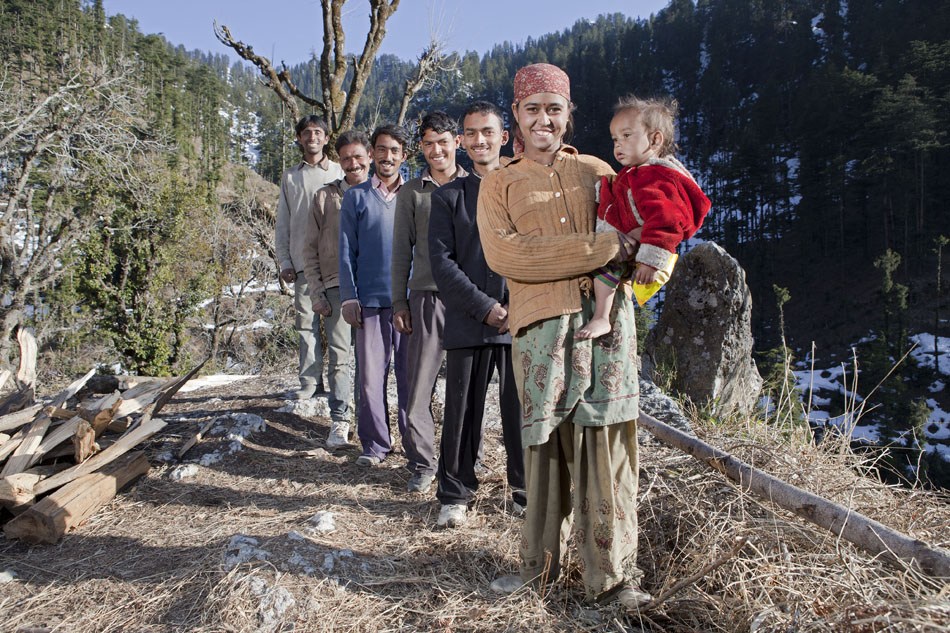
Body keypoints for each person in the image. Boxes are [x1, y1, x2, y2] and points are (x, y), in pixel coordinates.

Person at [476, 63, 651, 608]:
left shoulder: (600, 172)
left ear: (568, 115)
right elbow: (507, 255)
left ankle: (614, 578)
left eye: (554, 108)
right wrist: (595, 250)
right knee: (544, 451)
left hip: (605, 327)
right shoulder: (499, 182)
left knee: (607, 447)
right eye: (533, 109)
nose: (543, 119)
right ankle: (538, 571)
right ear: (517, 119)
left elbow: (643, 226)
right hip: (539, 329)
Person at [428, 101, 525, 527]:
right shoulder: (449, 197)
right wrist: (485, 307)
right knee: (462, 410)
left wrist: (517, 306)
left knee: (522, 409)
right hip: (470, 319)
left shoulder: (524, 189)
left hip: (523, 318)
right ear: (462, 141)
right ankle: (455, 493)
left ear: (504, 137)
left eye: (488, 131)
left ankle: (526, 491)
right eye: (471, 133)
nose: (479, 140)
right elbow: (441, 263)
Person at [575, 95, 711, 340]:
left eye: (627, 136)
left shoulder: (656, 177)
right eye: (615, 139)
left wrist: (650, 259)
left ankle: (601, 318)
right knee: (605, 264)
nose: (618, 145)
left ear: (655, 139)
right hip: (633, 240)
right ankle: (602, 317)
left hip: (646, 246)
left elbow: (666, 220)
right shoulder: (636, 173)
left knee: (605, 266)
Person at [391, 111, 467, 493]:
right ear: (421, 147)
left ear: (458, 142)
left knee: (464, 387)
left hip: (469, 299)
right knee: (419, 386)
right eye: (428, 143)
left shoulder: (477, 185)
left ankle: (467, 460)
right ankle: (423, 462)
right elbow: (400, 252)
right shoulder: (412, 192)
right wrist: (398, 302)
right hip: (425, 298)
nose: (437, 150)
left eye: (444, 141)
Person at [338, 124, 411, 467]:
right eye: (381, 149)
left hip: (409, 304)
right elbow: (346, 250)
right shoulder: (356, 197)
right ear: (372, 154)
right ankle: (375, 445)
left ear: (404, 156)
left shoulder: (414, 195)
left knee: (410, 378)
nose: (387, 156)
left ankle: (415, 443)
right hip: (368, 302)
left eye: (394, 150)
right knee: (370, 379)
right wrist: (349, 297)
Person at [301, 130, 373, 448]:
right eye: (346, 158)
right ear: (339, 162)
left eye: (358, 156)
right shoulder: (325, 196)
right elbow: (310, 249)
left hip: (375, 289)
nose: (352, 163)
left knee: (372, 358)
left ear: (370, 156)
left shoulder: (382, 193)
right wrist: (316, 292)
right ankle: (341, 421)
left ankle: (371, 422)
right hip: (335, 287)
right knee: (341, 359)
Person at [275, 115, 344, 400]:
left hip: (336, 264)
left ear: (327, 138)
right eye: (306, 133)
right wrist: (285, 261)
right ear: (299, 139)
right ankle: (309, 382)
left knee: (339, 329)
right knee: (306, 325)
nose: (312, 137)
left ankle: (341, 385)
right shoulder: (291, 176)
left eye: (318, 132)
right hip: (303, 264)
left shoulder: (341, 172)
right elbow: (283, 222)